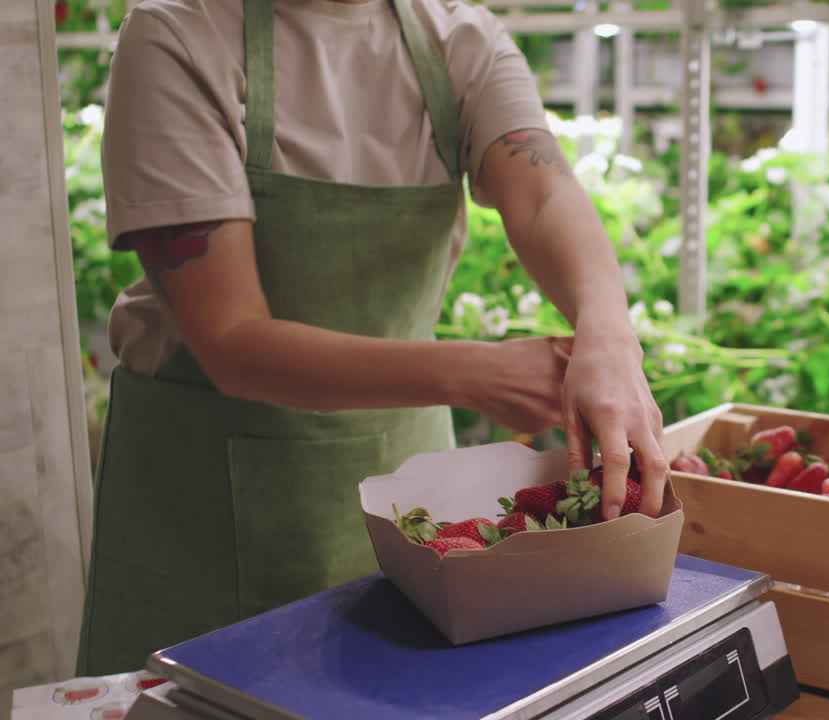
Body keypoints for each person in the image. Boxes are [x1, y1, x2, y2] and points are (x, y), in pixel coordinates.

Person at [78, 0, 669, 676]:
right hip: (205, 507)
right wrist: (474, 372)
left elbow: (540, 197)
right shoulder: (180, 34)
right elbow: (230, 338)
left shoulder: (459, 40)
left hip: (404, 487)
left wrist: (609, 340)